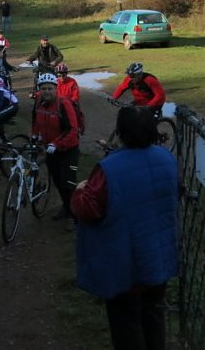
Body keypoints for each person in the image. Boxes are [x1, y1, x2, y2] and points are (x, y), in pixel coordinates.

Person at [71, 106, 178, 350]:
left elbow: (89, 209)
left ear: (121, 132)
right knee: (153, 314)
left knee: (126, 323)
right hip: (158, 255)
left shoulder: (110, 168)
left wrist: (78, 193)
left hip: (125, 262)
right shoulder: (166, 159)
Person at [31, 73, 80, 227]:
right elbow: (35, 123)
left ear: (56, 89)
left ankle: (74, 216)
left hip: (68, 149)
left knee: (68, 183)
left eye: (50, 89)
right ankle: (66, 207)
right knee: (58, 182)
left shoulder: (64, 104)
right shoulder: (38, 103)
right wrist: (35, 137)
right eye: (44, 88)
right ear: (39, 89)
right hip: (50, 149)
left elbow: (72, 129)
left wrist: (57, 144)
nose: (47, 92)